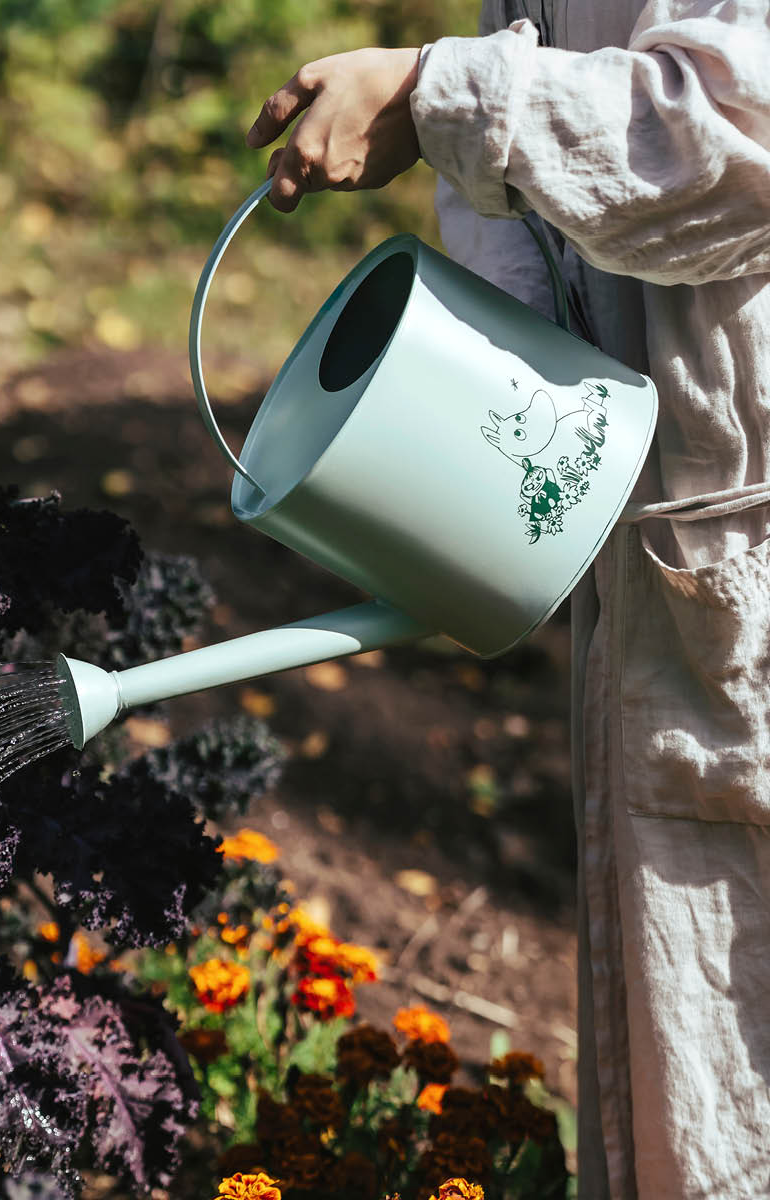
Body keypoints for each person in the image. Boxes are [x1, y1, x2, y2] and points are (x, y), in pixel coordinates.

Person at [244, 3, 770, 1197]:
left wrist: (438, 98)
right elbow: (515, 218)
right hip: (669, 561)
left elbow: (739, 136)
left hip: (742, 536)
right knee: (682, 1039)